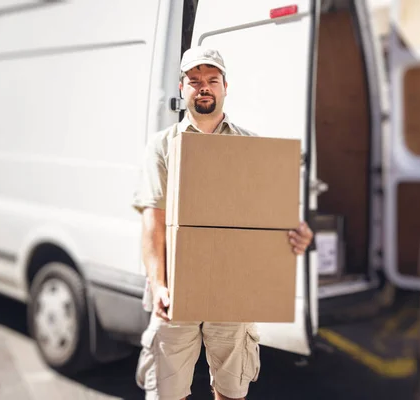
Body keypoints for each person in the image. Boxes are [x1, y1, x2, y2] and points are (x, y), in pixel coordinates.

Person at [131, 47, 314, 400]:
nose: (203, 87)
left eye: (212, 80)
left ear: (225, 86)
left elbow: (271, 220)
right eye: (194, 81)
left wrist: (295, 234)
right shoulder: (162, 146)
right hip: (176, 291)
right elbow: (153, 221)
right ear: (182, 88)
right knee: (167, 394)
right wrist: (159, 285)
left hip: (235, 289)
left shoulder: (252, 146)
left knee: (231, 392)